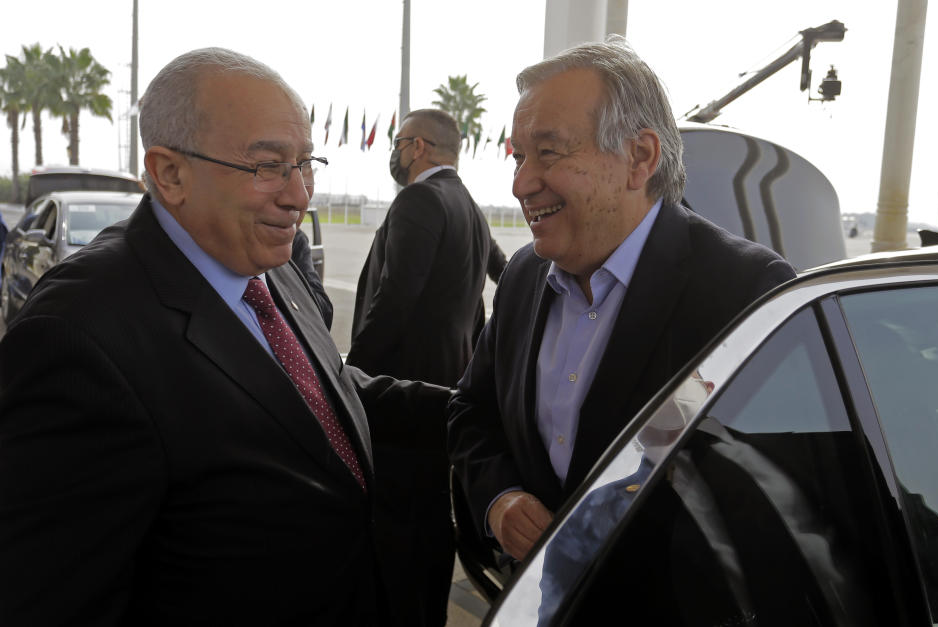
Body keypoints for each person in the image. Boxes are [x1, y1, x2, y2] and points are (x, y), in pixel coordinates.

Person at [0, 48, 449, 626]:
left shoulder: (269, 262)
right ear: (170, 173)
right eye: (267, 166)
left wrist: (467, 410)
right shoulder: (77, 334)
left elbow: (319, 386)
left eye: (305, 163)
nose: (299, 195)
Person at [447, 36, 797, 563]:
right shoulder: (523, 276)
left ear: (639, 157)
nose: (521, 183)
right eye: (519, 157)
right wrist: (501, 498)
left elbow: (767, 498)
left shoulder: (746, 292)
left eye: (548, 152)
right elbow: (472, 412)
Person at [346, 108, 498, 626]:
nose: (394, 151)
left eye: (397, 141)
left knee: (398, 524)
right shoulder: (470, 207)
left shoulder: (419, 199)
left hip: (401, 392)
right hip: (446, 389)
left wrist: (353, 376)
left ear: (418, 148)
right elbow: (499, 280)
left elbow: (394, 300)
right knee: (431, 513)